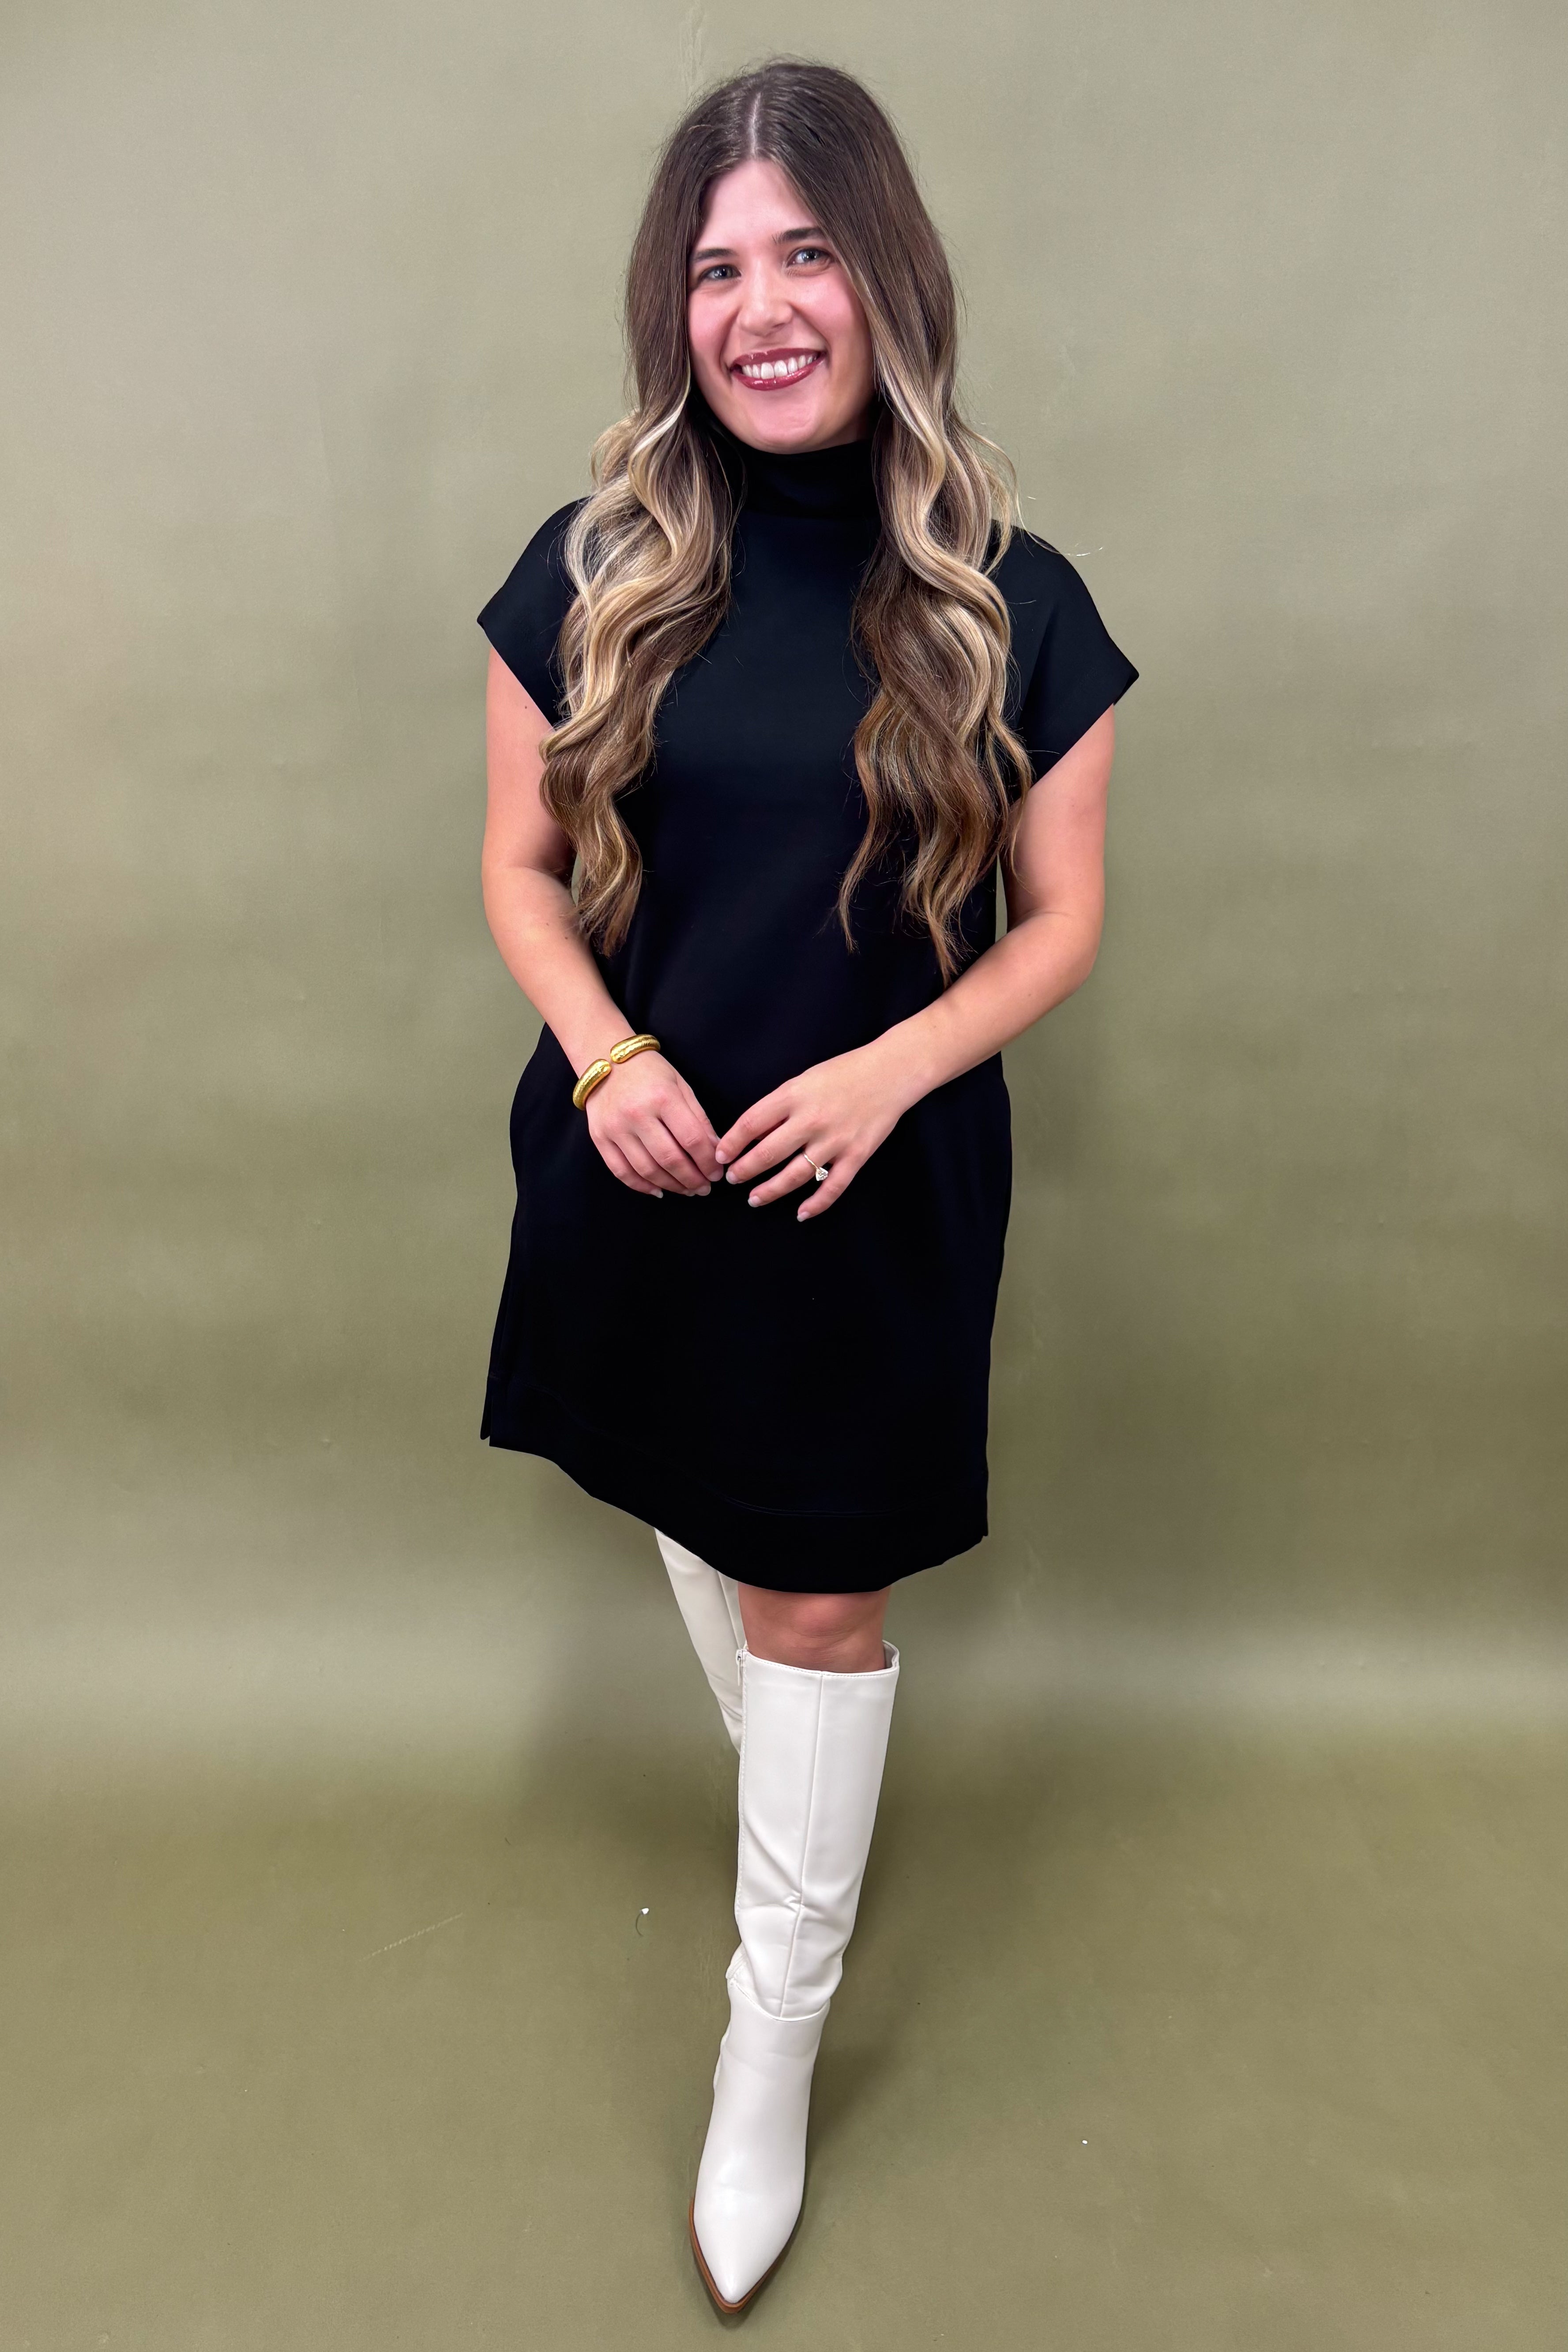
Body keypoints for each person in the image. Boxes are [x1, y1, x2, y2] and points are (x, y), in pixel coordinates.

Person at [476, 57, 1137, 2312]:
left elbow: (1059, 920)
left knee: (818, 1604)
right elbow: (518, 870)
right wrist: (608, 1056)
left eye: (807, 253)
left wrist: (887, 1072)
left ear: (886, 279)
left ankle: (769, 2032)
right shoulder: (595, 570)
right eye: (715, 266)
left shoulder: (1012, 599)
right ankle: (810, 1803)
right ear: (674, 308)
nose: (759, 307)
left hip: (876, 1193)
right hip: (637, 1160)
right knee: (715, 1534)